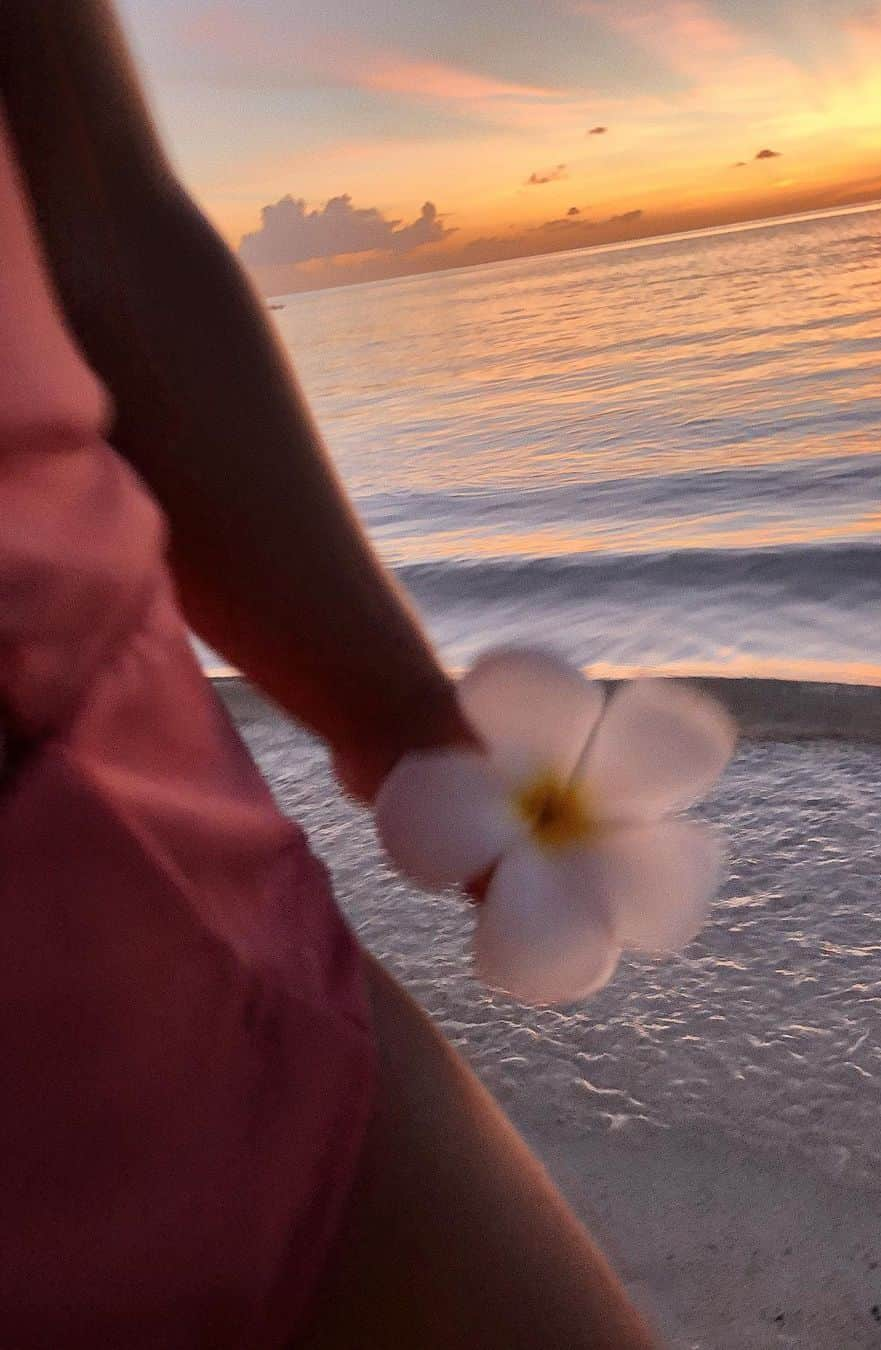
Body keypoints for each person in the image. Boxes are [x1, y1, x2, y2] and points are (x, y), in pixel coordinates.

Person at [0, 3, 658, 1345]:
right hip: (110, 866)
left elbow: (103, 231)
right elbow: (107, 225)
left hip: (112, 835)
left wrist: (410, 727)